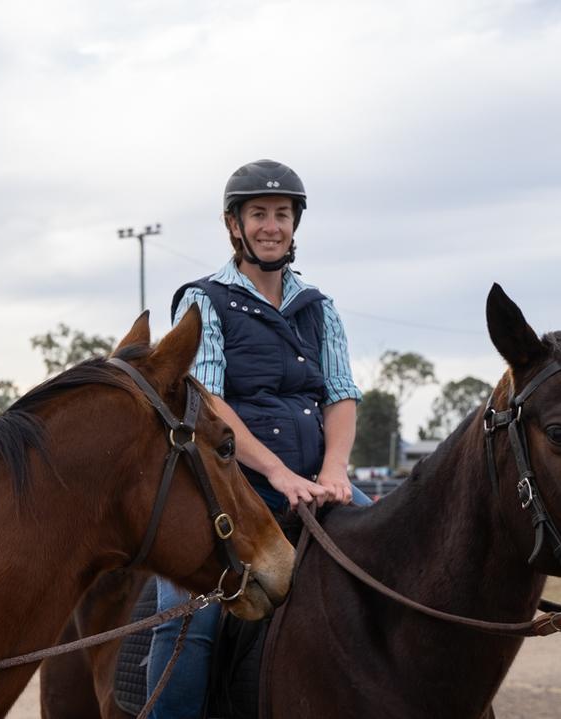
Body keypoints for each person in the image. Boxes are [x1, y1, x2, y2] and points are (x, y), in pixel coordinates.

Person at [145, 159, 368, 717]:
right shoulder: (203, 301)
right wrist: (277, 472)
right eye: (259, 214)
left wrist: (334, 470)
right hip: (229, 488)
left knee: (404, 561)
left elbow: (340, 394)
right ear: (234, 225)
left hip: (316, 483)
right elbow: (210, 403)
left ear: (296, 225)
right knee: (191, 618)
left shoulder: (319, 307)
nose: (272, 226)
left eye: (282, 215)